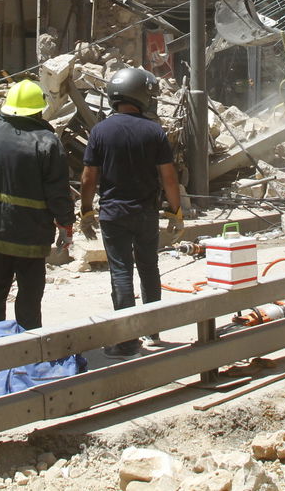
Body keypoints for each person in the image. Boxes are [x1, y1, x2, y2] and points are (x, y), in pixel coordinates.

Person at [81, 67, 182, 357]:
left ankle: (126, 341)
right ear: (139, 95)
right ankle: (153, 330)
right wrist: (176, 212)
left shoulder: (100, 131)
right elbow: (169, 177)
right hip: (146, 213)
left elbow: (88, 178)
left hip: (113, 214)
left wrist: (86, 211)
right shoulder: (154, 131)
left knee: (121, 271)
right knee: (149, 267)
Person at [0, 80, 74, 333]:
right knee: (29, 295)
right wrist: (66, 224)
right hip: (31, 234)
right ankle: (28, 344)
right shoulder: (47, 142)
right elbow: (58, 192)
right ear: (39, 110)